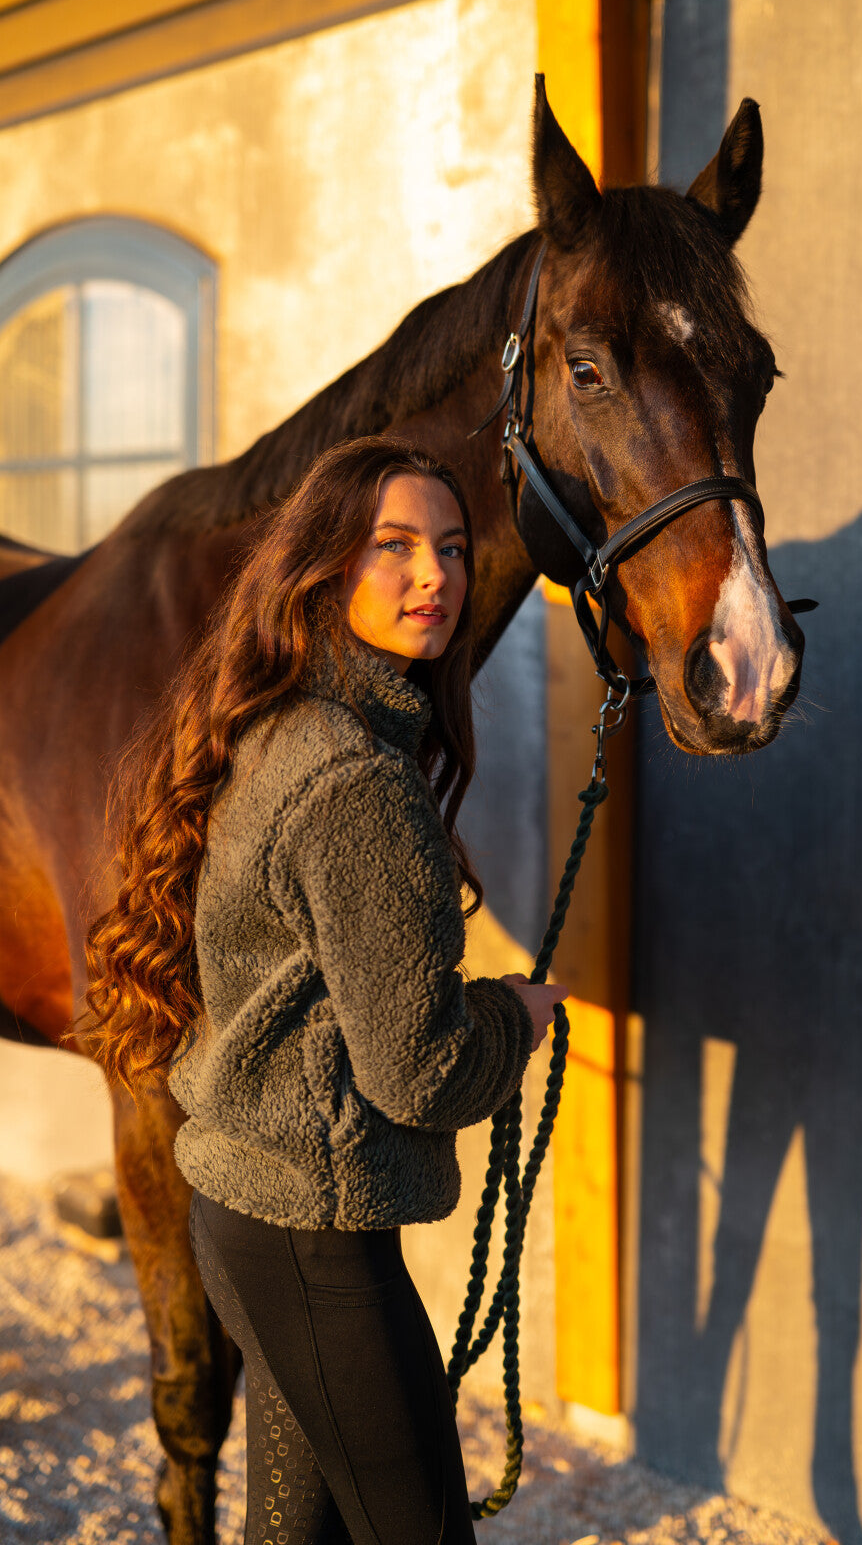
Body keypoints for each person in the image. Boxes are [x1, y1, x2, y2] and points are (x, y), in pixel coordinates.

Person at [85, 434, 564, 1545]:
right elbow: (421, 1074)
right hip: (314, 1243)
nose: (435, 576)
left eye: (449, 547)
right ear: (321, 566)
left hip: (247, 1222)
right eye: (392, 547)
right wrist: (513, 1016)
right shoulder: (354, 778)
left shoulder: (278, 725)